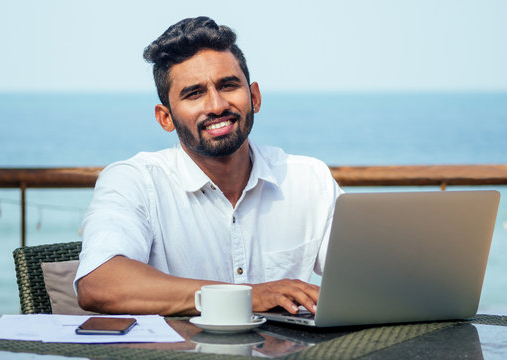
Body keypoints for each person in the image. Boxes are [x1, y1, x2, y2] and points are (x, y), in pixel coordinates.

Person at [75, 16, 343, 316]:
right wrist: (247, 296)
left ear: (254, 97)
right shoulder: (134, 181)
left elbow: (367, 273)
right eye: (194, 94)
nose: (216, 106)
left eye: (228, 86)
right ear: (166, 118)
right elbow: (99, 285)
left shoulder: (309, 179)